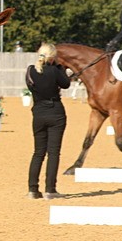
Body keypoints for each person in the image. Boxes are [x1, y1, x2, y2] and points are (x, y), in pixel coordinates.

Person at [26, 43, 70, 199]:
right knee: (53, 153)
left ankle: (33, 189)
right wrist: (59, 68)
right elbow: (66, 84)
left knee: (38, 152)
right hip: (56, 112)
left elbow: (31, 87)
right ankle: (50, 190)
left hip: (38, 112)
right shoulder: (55, 71)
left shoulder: (31, 70)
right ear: (53, 57)